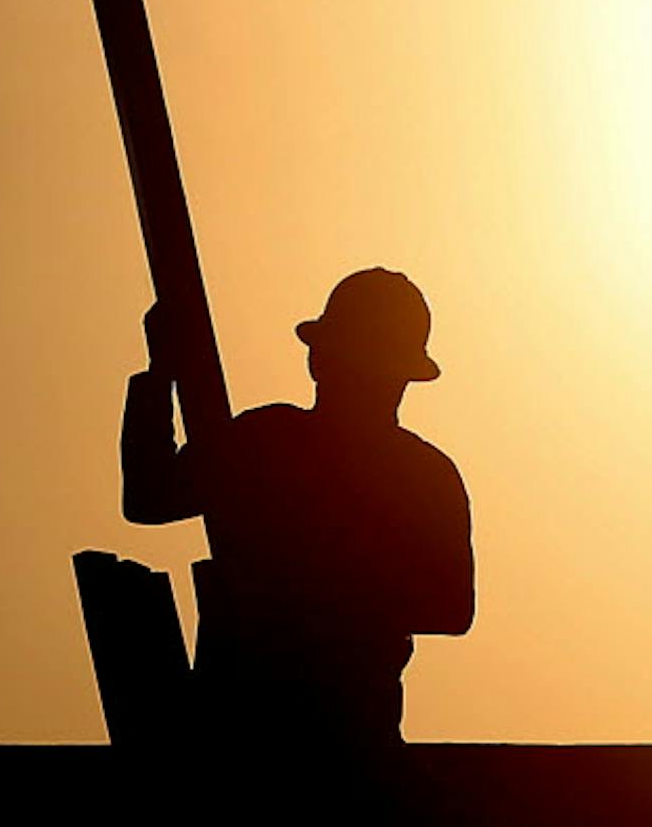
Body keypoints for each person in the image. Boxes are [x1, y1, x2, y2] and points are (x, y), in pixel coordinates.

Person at [121, 268, 475, 752]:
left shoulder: (416, 475)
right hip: (251, 730)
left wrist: (309, 588)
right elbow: (149, 498)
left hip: (339, 734)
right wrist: (159, 376)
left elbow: (452, 608)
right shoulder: (267, 441)